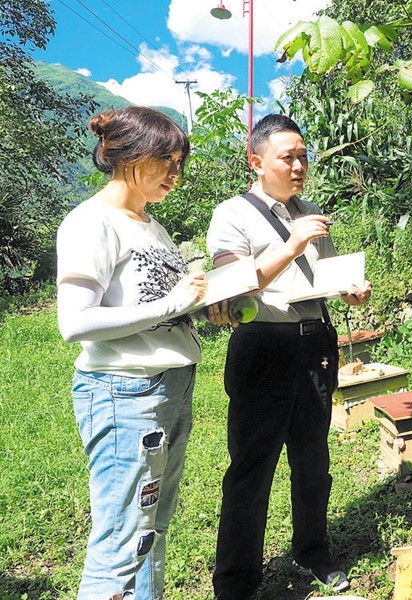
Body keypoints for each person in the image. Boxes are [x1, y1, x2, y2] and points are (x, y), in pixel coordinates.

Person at [57, 106, 221, 599]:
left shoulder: (150, 225)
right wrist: (172, 302)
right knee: (122, 538)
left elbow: (155, 308)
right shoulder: (92, 223)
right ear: (130, 156)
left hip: (170, 385)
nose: (177, 173)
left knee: (152, 527)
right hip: (125, 394)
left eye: (180, 163)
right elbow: (76, 322)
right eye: (167, 160)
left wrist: (200, 304)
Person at [206, 114, 372, 599]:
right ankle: (236, 581)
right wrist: (294, 240)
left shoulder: (311, 209)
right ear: (256, 162)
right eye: (287, 157)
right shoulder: (232, 213)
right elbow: (230, 286)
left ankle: (311, 550)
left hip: (316, 343)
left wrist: (349, 289)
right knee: (252, 465)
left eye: (304, 156)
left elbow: (324, 277)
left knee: (312, 458)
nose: (299, 166)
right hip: (262, 344)